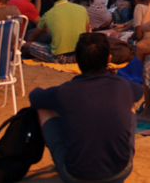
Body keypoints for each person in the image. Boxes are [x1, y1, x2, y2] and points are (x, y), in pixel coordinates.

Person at [29, 33, 142, 183]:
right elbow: (138, 92)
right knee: (130, 104)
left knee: (43, 108)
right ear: (109, 59)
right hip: (120, 172)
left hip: (75, 177)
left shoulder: (64, 91)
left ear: (76, 59)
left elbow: (34, 97)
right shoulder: (123, 85)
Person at [24, 0, 90, 64]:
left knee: (27, 46)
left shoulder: (48, 15)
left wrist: (27, 43)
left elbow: (33, 36)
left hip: (60, 58)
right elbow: (86, 32)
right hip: (79, 55)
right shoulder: (82, 9)